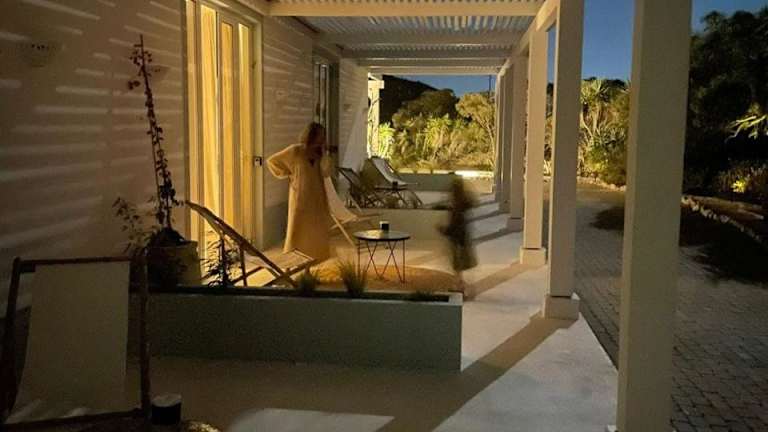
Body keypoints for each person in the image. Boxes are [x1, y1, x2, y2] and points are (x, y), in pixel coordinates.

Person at [267, 122, 332, 261]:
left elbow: (326, 173)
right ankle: (292, 260)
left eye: (323, 135)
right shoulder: (295, 151)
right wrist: (289, 174)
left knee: (315, 231)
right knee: (297, 231)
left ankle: (312, 261)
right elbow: (272, 161)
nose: (322, 138)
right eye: (320, 135)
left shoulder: (319, 154)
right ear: (312, 135)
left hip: (317, 196)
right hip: (300, 196)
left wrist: (325, 154)